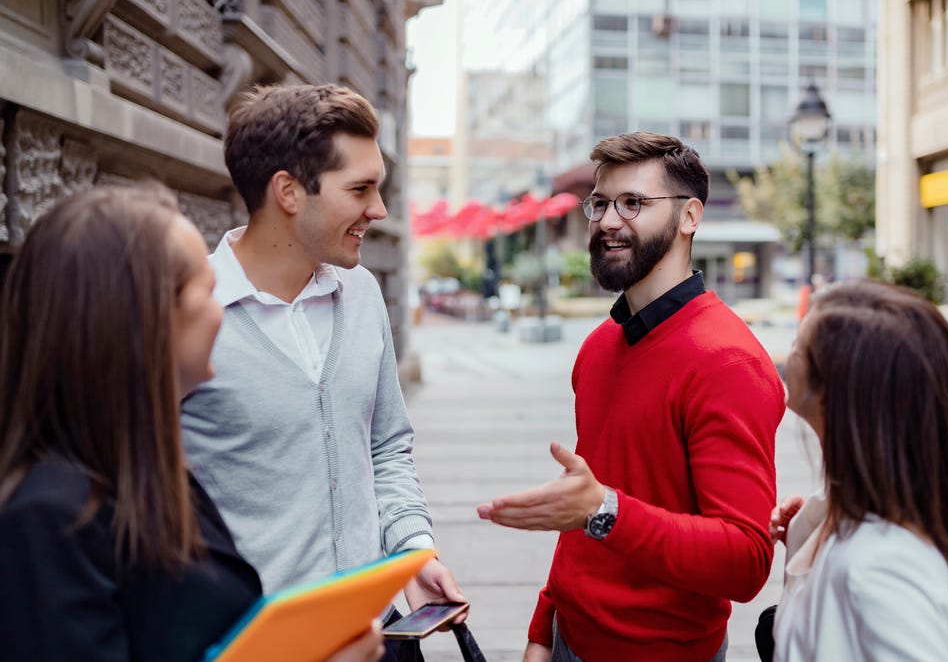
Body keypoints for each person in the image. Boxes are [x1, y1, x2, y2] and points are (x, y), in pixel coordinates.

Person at [0, 187, 383, 662]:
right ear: (143, 321)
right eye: (207, 290)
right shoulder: (48, 520)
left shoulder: (146, 469)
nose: (222, 310)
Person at [179, 84, 465, 656]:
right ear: (287, 190)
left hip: (378, 633)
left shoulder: (361, 294)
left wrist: (413, 547)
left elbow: (385, 446)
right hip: (256, 644)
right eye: (360, 189)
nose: (379, 210)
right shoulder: (187, 316)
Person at [477, 132, 785, 661]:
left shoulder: (729, 361)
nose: (608, 220)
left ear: (690, 216)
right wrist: (542, 626)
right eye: (599, 203)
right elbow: (585, 502)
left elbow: (746, 561)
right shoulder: (600, 346)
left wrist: (605, 510)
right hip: (567, 641)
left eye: (633, 203)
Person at [769, 279, 948, 661]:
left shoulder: (885, 565)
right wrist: (809, 529)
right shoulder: (845, 522)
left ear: (842, 388)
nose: (788, 354)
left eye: (800, 346)